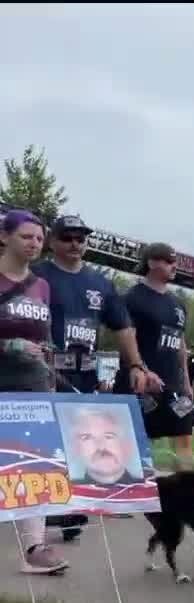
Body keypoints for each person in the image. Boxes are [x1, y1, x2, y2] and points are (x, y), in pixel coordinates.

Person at [34, 213, 159, 533]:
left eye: (81, 238)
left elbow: (123, 327)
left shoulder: (100, 283)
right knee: (44, 445)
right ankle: (45, 510)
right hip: (44, 372)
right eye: (67, 238)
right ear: (52, 241)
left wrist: (136, 365)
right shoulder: (37, 276)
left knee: (78, 444)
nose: (75, 244)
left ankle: (70, 508)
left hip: (84, 375)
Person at [0, 209, 69, 574]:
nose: (35, 244)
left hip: (32, 384)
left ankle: (35, 547)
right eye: (27, 236)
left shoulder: (41, 286)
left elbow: (46, 337)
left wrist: (51, 378)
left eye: (40, 239)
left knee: (32, 463)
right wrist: (9, 346)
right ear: (5, 237)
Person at [114, 242, 194, 470]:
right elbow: (125, 339)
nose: (173, 266)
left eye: (175, 262)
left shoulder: (177, 303)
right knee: (138, 445)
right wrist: (143, 370)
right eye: (168, 261)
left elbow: (180, 342)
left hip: (175, 388)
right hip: (142, 385)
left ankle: (186, 496)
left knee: (184, 440)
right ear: (151, 263)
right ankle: (139, 498)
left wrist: (186, 382)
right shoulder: (132, 298)